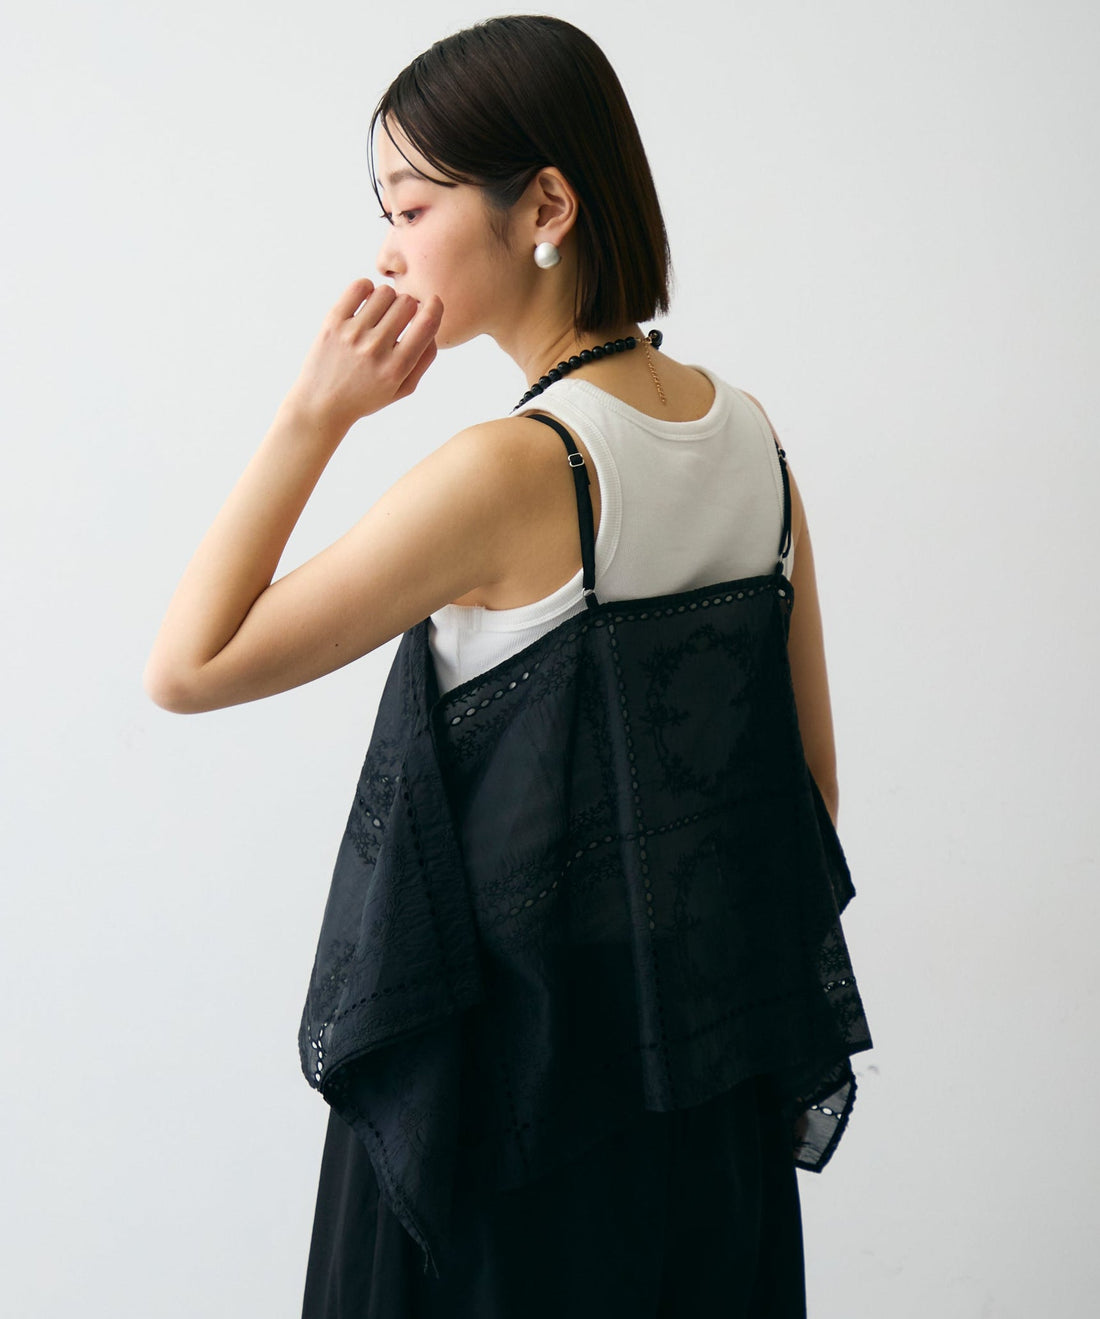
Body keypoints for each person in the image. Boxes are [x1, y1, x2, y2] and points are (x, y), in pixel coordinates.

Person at [145, 15, 872, 1318]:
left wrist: (314, 412)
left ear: (544, 205)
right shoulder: (752, 440)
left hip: (518, 1128)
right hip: (703, 1104)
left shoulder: (513, 469)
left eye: (410, 206)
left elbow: (189, 663)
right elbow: (808, 791)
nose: (388, 248)